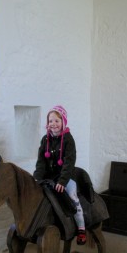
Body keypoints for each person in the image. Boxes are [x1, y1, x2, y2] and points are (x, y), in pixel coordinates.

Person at [33, 105, 86, 245]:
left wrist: (62, 182)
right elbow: (41, 161)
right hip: (48, 177)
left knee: (73, 197)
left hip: (65, 176)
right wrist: (37, 178)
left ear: (63, 122)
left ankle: (81, 227)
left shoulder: (69, 139)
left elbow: (69, 163)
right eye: (50, 121)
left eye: (57, 121)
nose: (53, 124)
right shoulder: (45, 139)